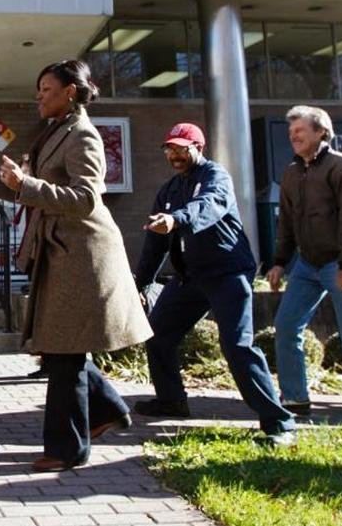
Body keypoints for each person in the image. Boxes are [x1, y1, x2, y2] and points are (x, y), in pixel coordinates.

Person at [0, 59, 152, 472]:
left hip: (82, 256)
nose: (39, 95)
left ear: (70, 92)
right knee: (63, 353)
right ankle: (108, 409)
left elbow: (86, 199)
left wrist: (26, 185)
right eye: (38, 88)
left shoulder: (83, 135)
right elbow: (40, 195)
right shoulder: (56, 131)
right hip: (59, 253)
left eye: (46, 88)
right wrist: (0, 185)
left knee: (63, 355)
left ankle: (67, 448)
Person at [132, 123, 295, 445]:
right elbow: (155, 242)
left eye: (181, 148)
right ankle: (172, 400)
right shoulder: (168, 190)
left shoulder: (215, 177)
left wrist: (177, 219)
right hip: (190, 277)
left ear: (198, 148)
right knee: (158, 333)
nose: (174, 155)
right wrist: (142, 284)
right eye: (169, 149)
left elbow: (208, 206)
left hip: (227, 273)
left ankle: (279, 423)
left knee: (237, 345)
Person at [265, 105, 342, 427]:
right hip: (306, 265)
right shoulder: (290, 172)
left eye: (300, 131)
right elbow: (287, 221)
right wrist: (278, 262)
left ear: (321, 132)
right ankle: (296, 399)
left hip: (340, 264)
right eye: (291, 133)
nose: (294, 137)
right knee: (286, 327)